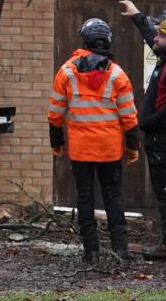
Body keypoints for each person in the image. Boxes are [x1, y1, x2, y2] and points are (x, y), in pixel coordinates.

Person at [48, 17, 141, 263]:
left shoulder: (67, 71)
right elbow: (129, 116)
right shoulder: (118, 74)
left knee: (85, 199)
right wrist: (133, 147)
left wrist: (56, 142)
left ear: (85, 40)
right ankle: (120, 249)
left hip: (80, 151)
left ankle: (91, 252)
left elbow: (55, 112)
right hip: (110, 149)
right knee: (113, 197)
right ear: (107, 41)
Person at [119, 0, 166, 261]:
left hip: (163, 137)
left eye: (162, 35)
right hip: (163, 136)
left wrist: (147, 123)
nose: (156, 37)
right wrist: (137, 15)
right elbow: (150, 34)